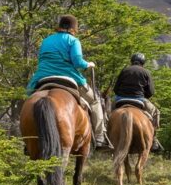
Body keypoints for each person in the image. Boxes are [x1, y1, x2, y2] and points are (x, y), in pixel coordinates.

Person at [26, 14, 111, 149]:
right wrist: (88, 64)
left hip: (42, 76)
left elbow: (42, 59)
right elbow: (77, 61)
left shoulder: (46, 40)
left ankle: (28, 140)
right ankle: (100, 137)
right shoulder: (73, 41)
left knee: (28, 99)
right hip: (69, 76)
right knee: (95, 101)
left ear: (59, 26)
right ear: (73, 29)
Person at [112, 53, 163, 152]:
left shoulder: (124, 70)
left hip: (120, 99)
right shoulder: (145, 72)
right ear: (143, 63)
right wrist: (145, 96)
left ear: (132, 61)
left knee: (106, 113)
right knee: (156, 112)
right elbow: (151, 92)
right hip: (139, 99)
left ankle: (104, 136)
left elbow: (116, 88)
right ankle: (153, 139)